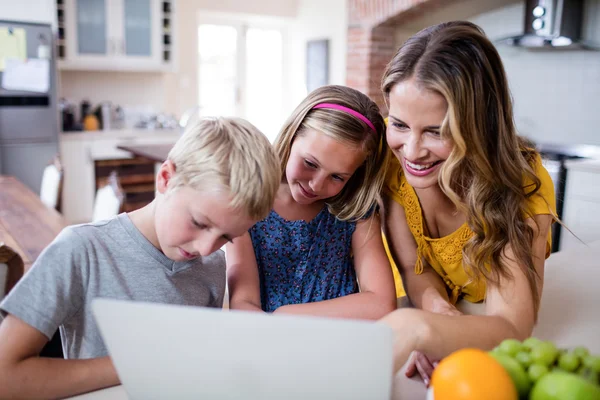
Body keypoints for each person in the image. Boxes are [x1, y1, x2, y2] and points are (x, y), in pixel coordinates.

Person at [0, 117, 280, 399]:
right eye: (198, 222)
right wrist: (137, 364)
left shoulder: (211, 266)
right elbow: (5, 377)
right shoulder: (81, 250)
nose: (206, 248)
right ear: (166, 178)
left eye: (225, 237)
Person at [378, 21, 557, 381]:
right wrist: (440, 314)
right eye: (399, 124)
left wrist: (419, 328)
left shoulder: (519, 184)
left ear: (479, 125)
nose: (411, 151)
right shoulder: (387, 158)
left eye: (436, 131)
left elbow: (511, 327)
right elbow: (417, 267)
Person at [227, 85, 396, 319]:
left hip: (339, 344)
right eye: (310, 163)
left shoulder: (356, 212)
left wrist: (284, 316)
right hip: (270, 343)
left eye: (337, 176)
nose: (316, 185)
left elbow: (381, 303)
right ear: (292, 135)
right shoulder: (248, 202)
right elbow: (243, 303)